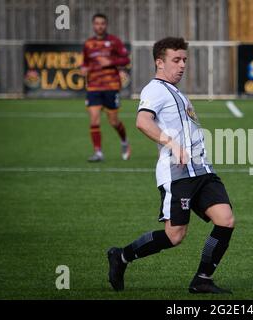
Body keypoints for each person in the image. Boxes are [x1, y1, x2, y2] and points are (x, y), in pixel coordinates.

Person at [107, 37, 235, 294]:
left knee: (226, 220)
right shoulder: (154, 89)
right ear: (159, 62)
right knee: (175, 235)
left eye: (184, 60)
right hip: (177, 173)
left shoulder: (177, 92)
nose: (182, 65)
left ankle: (202, 279)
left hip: (201, 170)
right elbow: (143, 122)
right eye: (176, 60)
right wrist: (173, 145)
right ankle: (121, 256)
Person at [81, 13, 131, 162]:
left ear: (106, 25)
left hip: (111, 86)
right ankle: (98, 152)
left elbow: (126, 59)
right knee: (94, 119)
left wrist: (110, 61)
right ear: (93, 25)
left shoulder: (114, 41)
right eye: (97, 23)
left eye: (102, 23)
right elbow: (84, 62)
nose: (99, 26)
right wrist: (83, 68)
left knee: (114, 122)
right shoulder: (88, 44)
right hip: (94, 87)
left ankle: (124, 142)